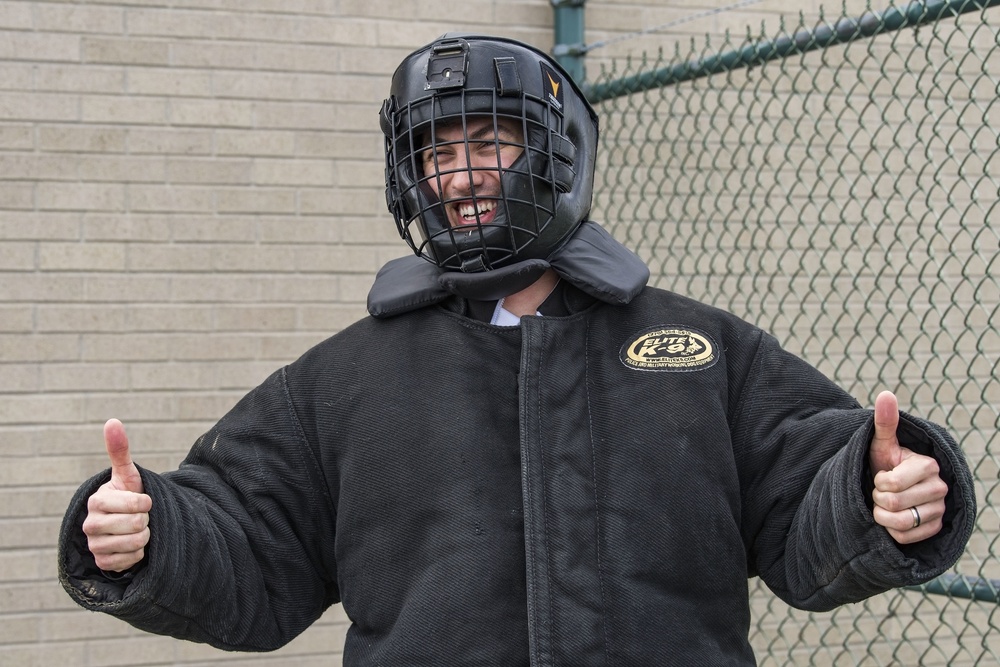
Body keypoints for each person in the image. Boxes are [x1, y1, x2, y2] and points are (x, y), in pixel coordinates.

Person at [59, 33, 976, 666]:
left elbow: (807, 511)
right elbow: (247, 545)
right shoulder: (339, 384)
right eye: (435, 151)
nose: (457, 177)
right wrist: (145, 539)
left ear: (556, 154)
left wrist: (878, 495)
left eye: (489, 141)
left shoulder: (702, 351)